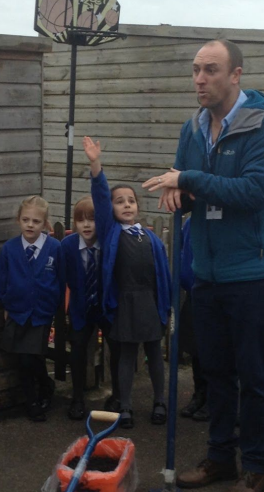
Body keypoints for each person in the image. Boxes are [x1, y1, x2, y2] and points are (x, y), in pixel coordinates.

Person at [142, 39, 264, 492]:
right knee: (216, 372)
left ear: (236, 75)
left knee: (254, 375)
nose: (199, 79)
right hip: (207, 270)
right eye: (195, 70)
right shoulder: (192, 128)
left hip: (254, 271)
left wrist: (186, 180)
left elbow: (252, 192)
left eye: (210, 70)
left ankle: (256, 467)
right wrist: (179, 195)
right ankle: (220, 456)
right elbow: (189, 190)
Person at [83, 135, 172, 429]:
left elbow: (162, 275)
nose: (126, 205)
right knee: (126, 356)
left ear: (138, 207)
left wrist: (165, 306)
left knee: (154, 354)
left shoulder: (151, 238)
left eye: (131, 201)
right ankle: (125, 405)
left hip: (150, 303)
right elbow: (100, 194)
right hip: (124, 303)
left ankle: (160, 401)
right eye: (119, 201)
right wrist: (96, 163)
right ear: (111, 209)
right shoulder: (111, 232)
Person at [0, 195, 65, 422]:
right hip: (17, 312)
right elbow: (1, 279)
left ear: (45, 223)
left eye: (36, 221)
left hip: (41, 313)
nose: (30, 225)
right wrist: (7, 303)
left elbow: (61, 279)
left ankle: (42, 390)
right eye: (26, 220)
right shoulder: (10, 249)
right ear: (19, 220)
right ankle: (34, 397)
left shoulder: (54, 248)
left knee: (32, 357)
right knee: (21, 360)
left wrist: (54, 304)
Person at [61, 196, 121, 420]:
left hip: (106, 305)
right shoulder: (67, 246)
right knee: (77, 347)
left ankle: (118, 396)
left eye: (92, 219)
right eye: (80, 220)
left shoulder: (108, 244)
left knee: (116, 348)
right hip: (81, 305)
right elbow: (62, 277)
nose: (86, 225)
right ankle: (77, 398)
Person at [179, 215, 209, 420]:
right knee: (197, 350)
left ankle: (214, 398)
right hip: (193, 293)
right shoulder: (190, 223)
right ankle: (200, 395)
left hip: (212, 292)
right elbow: (184, 252)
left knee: (215, 353)